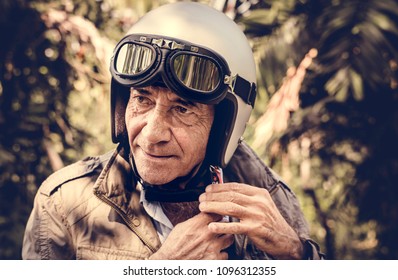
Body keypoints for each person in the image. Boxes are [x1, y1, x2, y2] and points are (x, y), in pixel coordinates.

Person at [22, 2, 324, 260]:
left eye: (182, 109)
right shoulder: (63, 203)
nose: (152, 134)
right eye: (142, 99)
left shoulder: (269, 197)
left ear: (223, 127)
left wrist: (297, 253)